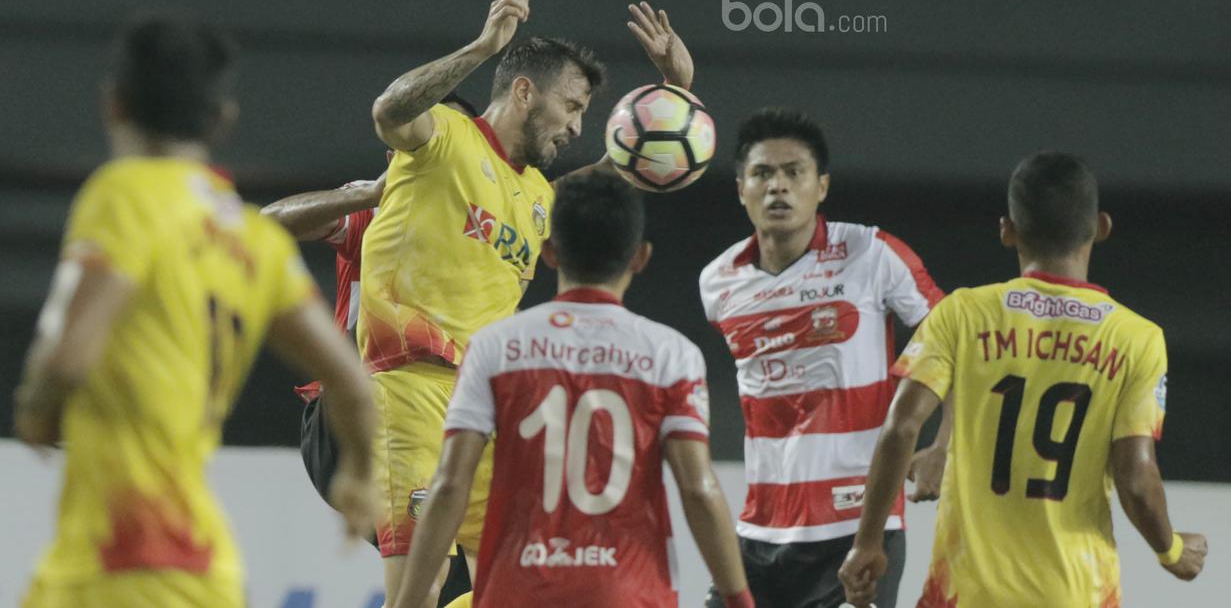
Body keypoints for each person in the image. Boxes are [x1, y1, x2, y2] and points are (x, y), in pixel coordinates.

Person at [13, 14, 377, 608]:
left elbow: (67, 359)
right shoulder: (251, 237)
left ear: (114, 104)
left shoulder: (125, 193)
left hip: (114, 561)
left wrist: (36, 405)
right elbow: (353, 386)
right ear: (221, 120)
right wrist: (359, 479)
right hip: (208, 569)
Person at [361, 0, 695, 605]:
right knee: (419, 585)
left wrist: (671, 92)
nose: (575, 126)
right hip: (408, 386)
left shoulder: (539, 194)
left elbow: (629, 159)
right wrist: (486, 47)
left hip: (483, 408)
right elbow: (390, 110)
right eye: (570, 107)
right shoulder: (448, 138)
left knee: (526, 578)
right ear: (523, 92)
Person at [838, 152, 1208, 607]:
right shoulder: (1137, 339)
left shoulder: (962, 313)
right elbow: (1136, 478)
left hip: (963, 593)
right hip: (1075, 593)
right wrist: (1170, 550)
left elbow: (901, 427)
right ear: (1101, 226)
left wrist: (868, 542)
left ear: (1007, 229)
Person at [392, 170, 754, 608]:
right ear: (639, 257)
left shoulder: (495, 346)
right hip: (627, 594)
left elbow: (450, 485)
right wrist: (738, 598)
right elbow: (697, 488)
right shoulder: (670, 355)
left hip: (517, 593)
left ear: (548, 252)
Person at [698, 108, 949, 608]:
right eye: (763, 174)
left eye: (795, 173)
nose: (778, 187)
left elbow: (958, 338)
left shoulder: (872, 253)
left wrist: (946, 444)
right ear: (741, 188)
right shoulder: (718, 280)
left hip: (856, 529)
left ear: (822, 186)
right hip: (759, 532)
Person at [261, 91, 481, 606]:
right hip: (355, 419)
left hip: (444, 421)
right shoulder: (378, 211)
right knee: (422, 585)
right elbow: (265, 224)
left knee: (495, 579)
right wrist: (370, 196)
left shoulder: (485, 223)